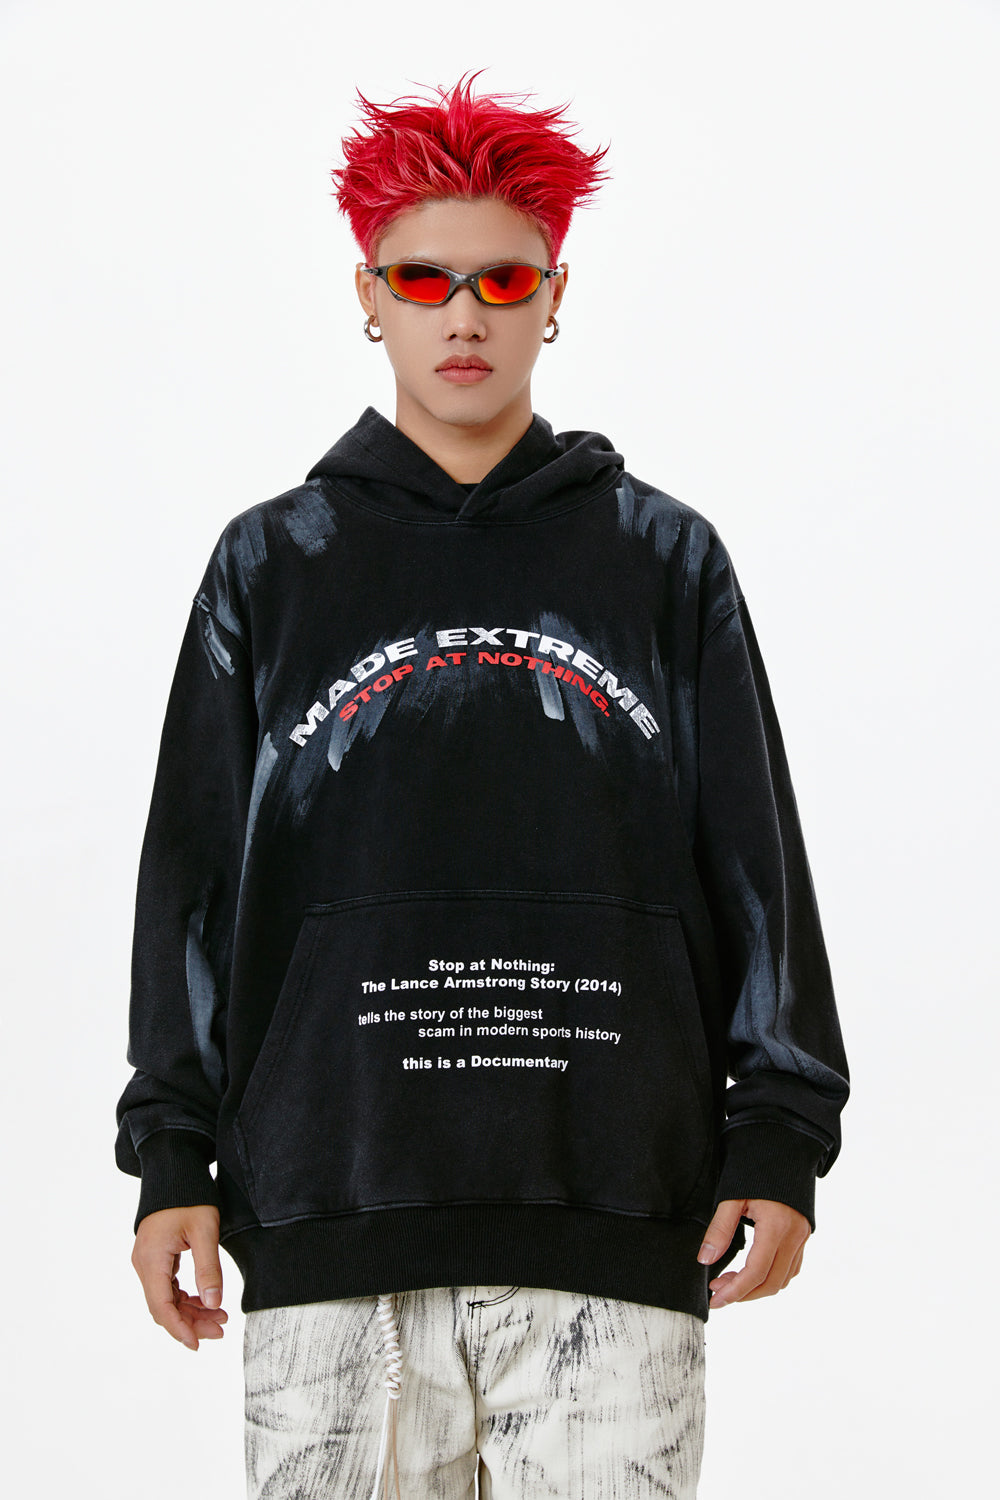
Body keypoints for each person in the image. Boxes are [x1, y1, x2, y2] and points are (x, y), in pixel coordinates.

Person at [116, 71, 850, 1500]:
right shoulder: (272, 566)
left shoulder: (662, 560)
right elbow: (191, 882)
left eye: (504, 278)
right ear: (369, 295)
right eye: (424, 278)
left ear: (554, 297)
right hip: (332, 1220)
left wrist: (780, 1130)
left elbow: (755, 863)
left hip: (616, 1220)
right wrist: (171, 1155)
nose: (465, 315)